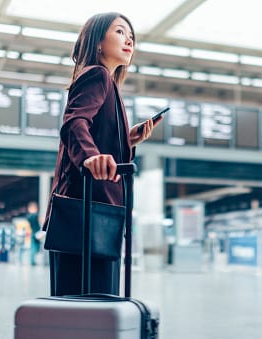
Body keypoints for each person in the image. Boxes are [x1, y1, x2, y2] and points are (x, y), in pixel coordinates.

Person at [42, 12, 162, 296]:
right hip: (87, 213)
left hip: (96, 214)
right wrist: (89, 157)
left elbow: (89, 127)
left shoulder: (110, 85)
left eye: (131, 35)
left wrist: (127, 140)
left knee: (92, 301)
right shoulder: (97, 75)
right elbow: (74, 123)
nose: (129, 38)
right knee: (88, 302)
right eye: (120, 31)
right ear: (97, 42)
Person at [26, 201, 41, 266]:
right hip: (37, 233)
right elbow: (41, 221)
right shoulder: (36, 215)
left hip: (33, 233)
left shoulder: (28, 216)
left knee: (33, 247)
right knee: (35, 248)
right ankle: (32, 261)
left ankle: (32, 261)